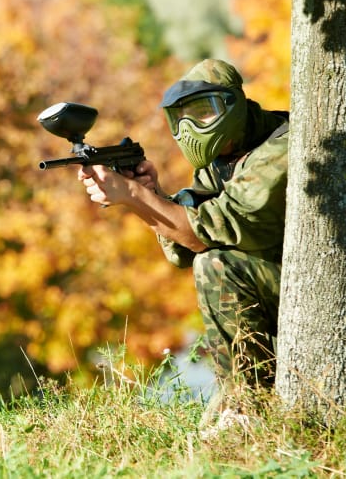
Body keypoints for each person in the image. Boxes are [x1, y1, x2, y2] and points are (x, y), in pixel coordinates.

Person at [78, 59, 288, 412]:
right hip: (282, 283)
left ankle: (248, 406)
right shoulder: (225, 157)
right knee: (212, 262)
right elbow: (181, 251)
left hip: (326, 292)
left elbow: (201, 237)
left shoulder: (280, 151)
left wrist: (133, 196)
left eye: (204, 111)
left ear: (234, 103)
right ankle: (242, 403)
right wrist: (152, 194)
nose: (191, 126)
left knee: (218, 265)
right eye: (181, 117)